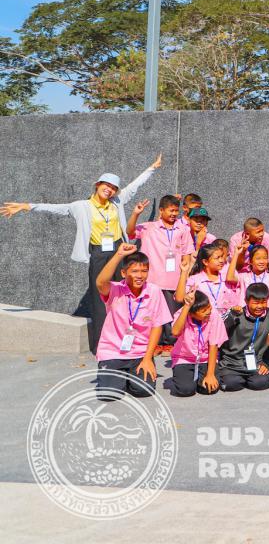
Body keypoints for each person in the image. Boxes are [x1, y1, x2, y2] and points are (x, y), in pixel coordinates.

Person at [2, 154, 162, 353]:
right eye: (106, 185)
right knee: (99, 298)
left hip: (120, 250)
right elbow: (55, 208)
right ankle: (102, 345)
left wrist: (152, 168)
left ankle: (125, 341)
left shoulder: (117, 202)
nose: (110, 189)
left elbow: (134, 185)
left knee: (123, 295)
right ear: (98, 185)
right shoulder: (81, 206)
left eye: (113, 187)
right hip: (99, 253)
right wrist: (27, 206)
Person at [93, 242, 171, 399]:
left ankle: (128, 376)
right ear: (123, 273)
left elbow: (157, 326)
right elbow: (100, 282)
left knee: (144, 391)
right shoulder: (115, 290)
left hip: (140, 353)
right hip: (113, 351)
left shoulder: (154, 291)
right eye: (134, 271)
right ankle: (118, 375)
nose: (140, 275)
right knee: (109, 394)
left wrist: (148, 358)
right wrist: (119, 254)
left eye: (144, 271)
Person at [129, 194, 196, 346]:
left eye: (176, 211)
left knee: (171, 314)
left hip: (174, 280)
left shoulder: (183, 229)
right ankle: (155, 343)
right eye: (171, 210)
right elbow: (130, 231)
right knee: (152, 314)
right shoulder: (149, 227)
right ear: (161, 210)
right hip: (152, 280)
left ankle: (170, 344)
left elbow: (187, 253)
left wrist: (184, 275)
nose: (174, 214)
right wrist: (135, 214)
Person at [218, 282, 269, 391]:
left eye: (263, 302)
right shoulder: (237, 313)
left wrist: (267, 363)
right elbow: (218, 328)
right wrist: (231, 315)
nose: (260, 306)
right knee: (232, 384)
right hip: (232, 363)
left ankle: (249, 379)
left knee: (260, 383)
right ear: (246, 301)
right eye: (255, 303)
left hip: (257, 362)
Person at [169, 290, 226, 397]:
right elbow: (175, 332)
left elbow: (213, 345)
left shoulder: (214, 315)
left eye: (209, 307)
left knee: (209, 389)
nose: (208, 311)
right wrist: (187, 306)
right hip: (185, 358)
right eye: (203, 310)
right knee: (185, 390)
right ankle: (184, 376)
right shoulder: (182, 314)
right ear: (191, 313)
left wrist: (210, 374)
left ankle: (201, 377)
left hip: (205, 359)